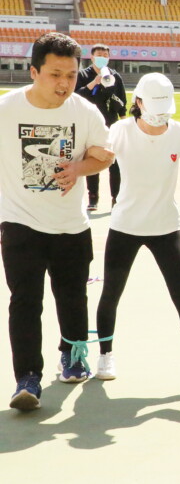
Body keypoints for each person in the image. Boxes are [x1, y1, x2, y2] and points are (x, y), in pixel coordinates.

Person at [1, 32, 113, 411]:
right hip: (20, 223)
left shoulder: (85, 112)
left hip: (71, 225)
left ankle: (73, 355)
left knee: (72, 297)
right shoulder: (7, 109)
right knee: (25, 302)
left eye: (71, 74)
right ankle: (27, 378)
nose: (64, 83)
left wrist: (80, 167)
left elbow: (104, 155)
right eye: (55, 74)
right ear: (34, 72)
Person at [93, 73, 180, 384]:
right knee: (111, 292)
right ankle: (105, 355)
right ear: (138, 102)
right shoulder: (120, 130)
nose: (160, 116)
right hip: (125, 226)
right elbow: (96, 156)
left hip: (165, 226)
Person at [75, 43, 126, 211]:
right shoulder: (83, 74)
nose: (102, 57)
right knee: (93, 159)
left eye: (105, 55)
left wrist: (123, 120)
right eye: (99, 55)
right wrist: (94, 83)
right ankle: (93, 198)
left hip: (111, 123)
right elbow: (76, 95)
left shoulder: (114, 76)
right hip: (89, 123)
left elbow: (122, 100)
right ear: (92, 57)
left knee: (114, 162)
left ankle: (116, 199)